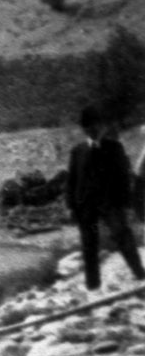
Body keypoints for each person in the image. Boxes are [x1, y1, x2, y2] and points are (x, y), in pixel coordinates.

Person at [68, 104, 145, 291]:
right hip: (86, 206)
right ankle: (93, 285)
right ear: (84, 130)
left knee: (123, 236)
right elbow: (72, 182)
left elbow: (123, 177)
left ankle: (139, 273)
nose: (93, 131)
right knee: (89, 244)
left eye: (96, 126)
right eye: (88, 128)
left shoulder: (114, 148)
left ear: (102, 127)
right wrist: (71, 207)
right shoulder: (78, 152)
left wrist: (125, 203)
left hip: (111, 203)